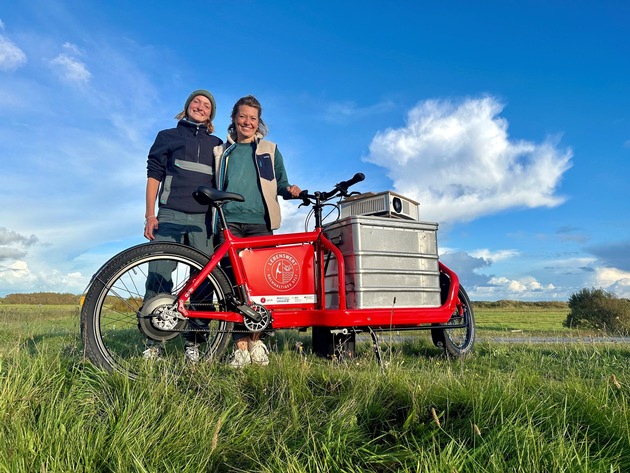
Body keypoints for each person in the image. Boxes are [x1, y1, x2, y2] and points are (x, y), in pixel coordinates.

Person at [214, 95, 301, 367]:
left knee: (260, 285)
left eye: (252, 118)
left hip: (259, 222)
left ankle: (257, 342)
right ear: (234, 119)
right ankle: (240, 348)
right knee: (232, 286)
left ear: (258, 122)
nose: (247, 122)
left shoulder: (269, 149)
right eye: (242, 116)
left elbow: (281, 183)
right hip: (228, 222)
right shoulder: (221, 151)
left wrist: (290, 190)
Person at [143, 89, 222, 362]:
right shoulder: (167, 136)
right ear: (187, 106)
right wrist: (149, 214)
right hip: (170, 215)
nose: (200, 106)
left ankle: (195, 343)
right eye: (196, 102)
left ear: (211, 114)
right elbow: (154, 174)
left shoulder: (217, 144)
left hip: (203, 220)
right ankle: (154, 342)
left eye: (206, 105)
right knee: (159, 276)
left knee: (203, 282)